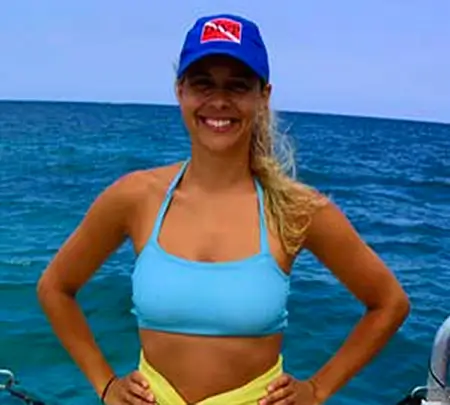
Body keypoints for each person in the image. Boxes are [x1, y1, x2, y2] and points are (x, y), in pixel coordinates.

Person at [36, 13, 410, 405]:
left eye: (237, 86)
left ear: (263, 96)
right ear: (180, 90)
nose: (218, 101)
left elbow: (389, 303)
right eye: (203, 83)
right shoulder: (135, 196)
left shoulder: (296, 209)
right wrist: (106, 385)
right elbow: (55, 287)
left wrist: (317, 390)